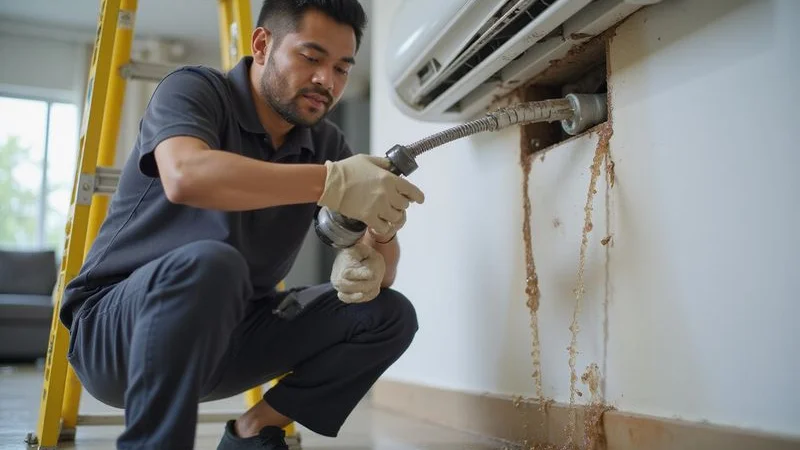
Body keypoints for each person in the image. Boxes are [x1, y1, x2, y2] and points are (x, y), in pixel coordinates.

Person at [59, 1, 425, 449]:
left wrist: (377, 237)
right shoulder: (194, 90)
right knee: (212, 262)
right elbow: (185, 176)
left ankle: (254, 431)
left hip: (235, 333)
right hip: (118, 334)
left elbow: (382, 277)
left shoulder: (326, 142)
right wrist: (329, 181)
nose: (326, 81)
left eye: (342, 69)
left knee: (388, 314)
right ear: (262, 44)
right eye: (311, 58)